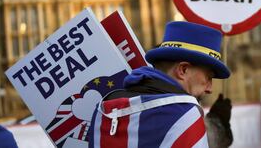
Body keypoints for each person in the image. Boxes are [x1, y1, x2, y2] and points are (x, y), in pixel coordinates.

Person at [88, 21, 233, 148]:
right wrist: (218, 124)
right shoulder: (186, 114)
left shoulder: (103, 108)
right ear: (183, 70)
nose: (210, 88)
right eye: (208, 77)